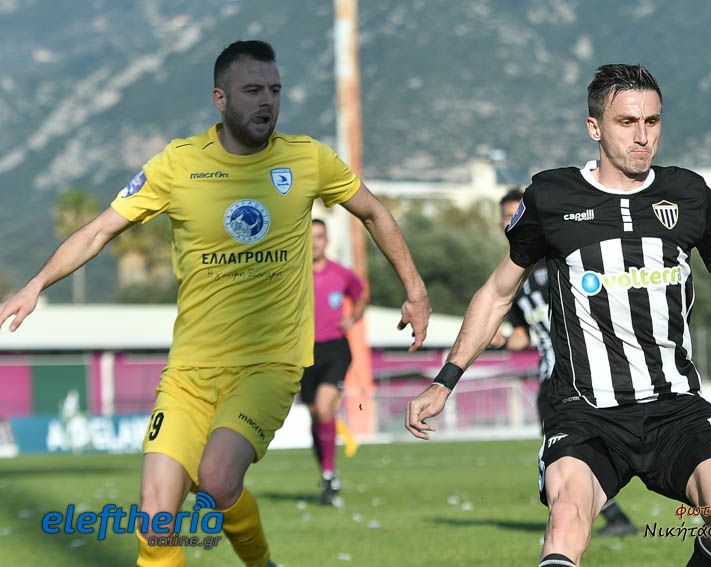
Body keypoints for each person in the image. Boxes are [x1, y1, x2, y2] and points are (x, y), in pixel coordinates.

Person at [0, 40, 430, 567]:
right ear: (220, 99)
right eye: (252, 90)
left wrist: (415, 290)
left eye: (275, 90)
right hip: (189, 372)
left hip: (268, 365)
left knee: (217, 478)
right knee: (155, 520)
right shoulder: (177, 164)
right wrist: (36, 284)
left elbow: (374, 212)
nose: (267, 101)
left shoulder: (307, 159)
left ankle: (260, 563)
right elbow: (98, 231)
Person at [406, 64, 711, 567]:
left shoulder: (689, 194)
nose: (642, 136)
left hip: (675, 407)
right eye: (627, 122)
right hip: (586, 413)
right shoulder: (552, 197)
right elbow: (497, 293)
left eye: (652, 121)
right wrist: (444, 381)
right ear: (595, 127)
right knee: (567, 522)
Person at [493, 188, 638, 537]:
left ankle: (590, 518)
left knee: (565, 451)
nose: (511, 223)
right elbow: (523, 334)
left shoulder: (562, 259)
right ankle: (600, 516)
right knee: (563, 450)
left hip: (580, 372)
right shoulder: (514, 278)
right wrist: (498, 341)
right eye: (506, 218)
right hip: (550, 377)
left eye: (516, 215)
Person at [302, 218, 367, 505]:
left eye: (319, 237)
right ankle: (327, 472)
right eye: (309, 237)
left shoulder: (341, 273)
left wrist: (353, 318)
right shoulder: (293, 275)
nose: (314, 242)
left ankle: (329, 473)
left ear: (326, 241)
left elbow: (360, 295)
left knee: (325, 408)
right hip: (304, 352)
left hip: (335, 349)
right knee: (316, 416)